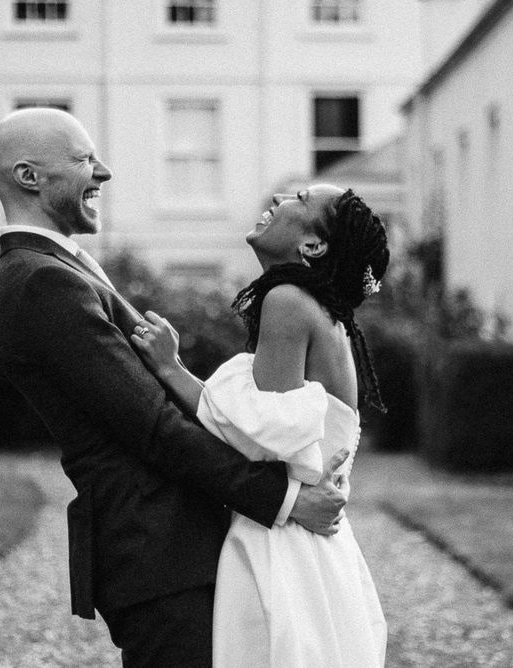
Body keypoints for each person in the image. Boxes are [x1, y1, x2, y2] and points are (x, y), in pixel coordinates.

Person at [0, 108, 348, 668]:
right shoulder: (41, 281)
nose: (102, 172)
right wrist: (285, 501)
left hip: (175, 546)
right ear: (30, 177)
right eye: (84, 160)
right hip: (157, 550)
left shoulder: (60, 268)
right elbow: (153, 426)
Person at [133, 184, 389, 667]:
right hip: (316, 547)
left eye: (299, 198)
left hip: (283, 548)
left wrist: (170, 369)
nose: (278, 198)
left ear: (313, 246)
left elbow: (256, 438)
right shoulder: (323, 316)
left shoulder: (288, 300)